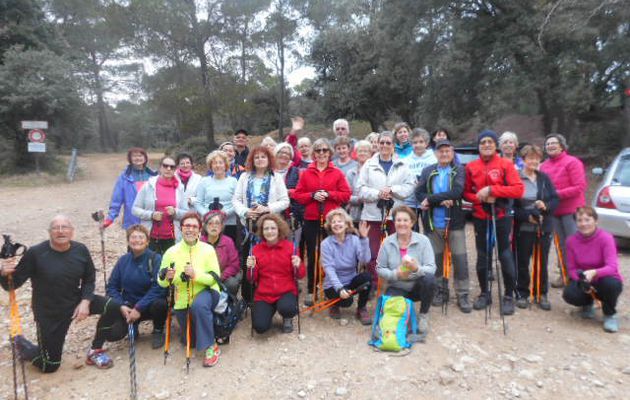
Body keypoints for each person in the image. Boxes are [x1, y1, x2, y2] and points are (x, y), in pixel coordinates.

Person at [0, 215, 98, 373]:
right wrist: (4, 274)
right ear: (49, 232)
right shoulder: (35, 253)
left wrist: (85, 301)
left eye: (64, 227)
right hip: (48, 312)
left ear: (72, 232)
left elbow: (90, 279)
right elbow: (12, 285)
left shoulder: (81, 249)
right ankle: (22, 345)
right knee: (50, 365)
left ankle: (97, 348)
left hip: (75, 301)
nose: (60, 231)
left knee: (113, 307)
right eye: (56, 228)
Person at [86, 224, 168, 368]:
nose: (137, 240)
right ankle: (133, 325)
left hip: (148, 305)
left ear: (147, 241)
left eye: (141, 237)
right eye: (133, 237)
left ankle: (158, 330)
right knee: (113, 335)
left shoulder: (155, 258)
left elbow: (159, 287)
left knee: (160, 303)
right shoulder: (123, 261)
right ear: (128, 241)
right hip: (128, 307)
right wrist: (121, 305)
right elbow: (112, 286)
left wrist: (139, 307)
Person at [463, 130, 524, 315]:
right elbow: (466, 193)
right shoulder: (471, 166)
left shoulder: (506, 164)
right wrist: (480, 198)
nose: (487, 145)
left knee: (505, 256)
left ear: (495, 145)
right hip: (481, 216)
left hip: (502, 216)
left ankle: (508, 296)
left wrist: (493, 190)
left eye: (490, 141)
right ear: (479, 146)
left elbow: (518, 190)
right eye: (483, 142)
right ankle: (484, 293)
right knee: (482, 256)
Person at [157, 212, 222, 367]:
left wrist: (195, 275)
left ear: (200, 229)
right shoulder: (171, 252)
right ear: (181, 228)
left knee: (199, 306)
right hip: (183, 298)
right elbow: (161, 281)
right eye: (187, 226)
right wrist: (167, 278)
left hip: (207, 291)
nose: (190, 229)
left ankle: (211, 346)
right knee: (190, 342)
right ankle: (206, 331)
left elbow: (214, 278)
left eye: (194, 226)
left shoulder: (207, 250)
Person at [292, 138, 352, 305]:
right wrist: (312, 196)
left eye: (325, 150)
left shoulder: (337, 173)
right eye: (318, 151)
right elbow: (298, 195)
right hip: (311, 219)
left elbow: (346, 194)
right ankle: (311, 290)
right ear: (313, 154)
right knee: (312, 255)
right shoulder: (306, 173)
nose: (321, 154)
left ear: (330, 153)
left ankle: (330, 287)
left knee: (332, 255)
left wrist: (329, 194)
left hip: (332, 221)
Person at [416, 140, 472, 313]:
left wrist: (432, 199)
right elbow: (419, 193)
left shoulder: (459, 170)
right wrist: (437, 200)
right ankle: (440, 291)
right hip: (433, 223)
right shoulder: (427, 170)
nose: (444, 154)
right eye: (441, 151)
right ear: (436, 153)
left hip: (454, 223)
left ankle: (462, 294)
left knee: (460, 260)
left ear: (452, 152)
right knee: (436, 260)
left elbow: (457, 192)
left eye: (447, 151)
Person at [357, 131, 415, 290]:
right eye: (381, 142)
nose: (384, 146)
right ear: (377, 144)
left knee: (399, 250)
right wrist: (378, 193)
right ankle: (375, 284)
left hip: (396, 216)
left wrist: (392, 189)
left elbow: (410, 187)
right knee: (372, 253)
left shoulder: (403, 165)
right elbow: (360, 189)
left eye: (388, 143)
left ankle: (398, 282)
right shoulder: (368, 164)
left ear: (393, 146)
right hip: (372, 215)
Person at [233, 146, 289, 302]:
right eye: (256, 157)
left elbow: (285, 201)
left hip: (269, 228)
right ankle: (248, 298)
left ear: (269, 159)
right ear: (252, 160)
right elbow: (236, 199)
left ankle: (268, 296)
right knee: (249, 262)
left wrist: (268, 208)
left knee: (268, 263)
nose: (260, 160)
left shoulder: (276, 177)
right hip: (249, 227)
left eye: (263, 157)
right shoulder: (244, 177)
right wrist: (245, 211)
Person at [562, 206, 624, 333]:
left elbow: (612, 267)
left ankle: (609, 314)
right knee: (569, 294)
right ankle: (587, 304)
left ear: (595, 221)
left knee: (611, 285)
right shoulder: (571, 241)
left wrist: (595, 272)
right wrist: (581, 279)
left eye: (587, 219)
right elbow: (572, 268)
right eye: (580, 220)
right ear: (576, 223)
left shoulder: (606, 238)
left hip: (604, 278)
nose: (583, 224)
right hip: (584, 278)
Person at [376, 206, 437, 334]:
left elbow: (432, 268)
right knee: (396, 323)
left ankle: (424, 315)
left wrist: (416, 269)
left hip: (417, 286)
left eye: (405, 220)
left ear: (412, 222)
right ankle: (401, 310)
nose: (402, 223)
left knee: (430, 279)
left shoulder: (423, 241)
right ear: (394, 222)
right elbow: (380, 268)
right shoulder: (387, 242)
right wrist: (395, 274)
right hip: (397, 286)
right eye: (398, 220)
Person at [513, 145, 559, 310]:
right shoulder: (516, 177)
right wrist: (526, 216)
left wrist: (545, 205)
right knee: (523, 261)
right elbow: (511, 206)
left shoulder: (544, 178)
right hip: (523, 227)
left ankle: (542, 293)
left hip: (543, 226)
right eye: (530, 158)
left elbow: (555, 199)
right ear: (523, 160)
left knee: (542, 260)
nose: (533, 161)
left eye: (536, 158)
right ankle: (522, 293)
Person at [540, 133, 587, 288]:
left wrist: (555, 194)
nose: (551, 146)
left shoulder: (572, 162)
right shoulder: (544, 165)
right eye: (548, 144)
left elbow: (579, 187)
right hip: (553, 212)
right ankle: (564, 274)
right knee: (560, 245)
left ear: (561, 145)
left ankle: (578, 277)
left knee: (575, 244)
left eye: (554, 143)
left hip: (572, 211)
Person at [247, 214, 305, 334]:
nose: (269, 231)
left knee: (287, 308)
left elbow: (300, 275)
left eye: (273, 228)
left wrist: (298, 265)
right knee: (260, 327)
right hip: (264, 294)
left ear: (279, 229)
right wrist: (250, 268)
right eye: (266, 228)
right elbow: (251, 279)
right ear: (262, 232)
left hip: (286, 291)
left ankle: (287, 317)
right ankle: (270, 310)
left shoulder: (290, 248)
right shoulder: (256, 250)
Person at [321, 208, 372, 324]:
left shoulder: (354, 240)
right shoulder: (326, 244)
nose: (336, 224)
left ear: (346, 224)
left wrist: (364, 239)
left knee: (367, 277)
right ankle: (334, 304)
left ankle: (361, 308)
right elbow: (329, 269)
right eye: (333, 222)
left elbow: (365, 260)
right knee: (347, 302)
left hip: (350, 281)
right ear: (330, 226)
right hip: (333, 285)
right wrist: (339, 288)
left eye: (340, 221)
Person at [132, 155, 188, 254]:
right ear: (160, 167)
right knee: (151, 267)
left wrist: (175, 212)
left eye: (172, 167)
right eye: (165, 166)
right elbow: (135, 209)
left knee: (170, 268)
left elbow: (186, 213)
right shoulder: (148, 186)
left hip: (172, 237)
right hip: (150, 236)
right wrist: (151, 215)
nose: (168, 169)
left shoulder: (179, 187)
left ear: (175, 169)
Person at [104, 147, 156, 229]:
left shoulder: (154, 176)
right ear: (130, 159)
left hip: (153, 219)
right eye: (134, 156)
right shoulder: (124, 177)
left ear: (145, 158)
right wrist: (110, 218)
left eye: (140, 155)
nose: (138, 158)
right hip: (133, 220)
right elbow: (116, 199)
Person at [195, 150, 238, 243]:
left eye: (220, 162)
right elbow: (198, 203)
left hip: (229, 224)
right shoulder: (204, 181)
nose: (217, 165)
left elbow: (237, 203)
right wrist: (208, 214)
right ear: (211, 166)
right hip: (208, 223)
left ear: (225, 165)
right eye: (214, 163)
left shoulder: (233, 182)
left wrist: (225, 213)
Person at [201, 211, 241, 296]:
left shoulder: (228, 241)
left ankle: (229, 303)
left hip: (223, 276)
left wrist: (220, 276)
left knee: (232, 283)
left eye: (217, 223)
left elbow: (234, 264)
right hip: (204, 278)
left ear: (222, 226)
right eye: (210, 223)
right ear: (205, 226)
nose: (214, 226)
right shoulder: (199, 242)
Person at [403, 128, 437, 224]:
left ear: (426, 143)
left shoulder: (434, 159)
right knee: (411, 229)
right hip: (409, 201)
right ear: (411, 144)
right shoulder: (405, 161)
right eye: (415, 142)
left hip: (427, 200)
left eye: (421, 142)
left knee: (428, 229)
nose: (418, 145)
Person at [274, 142, 304, 236]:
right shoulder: (268, 171)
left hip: (291, 216)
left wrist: (288, 192)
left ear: (291, 156)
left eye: (287, 153)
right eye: (281, 152)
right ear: (275, 154)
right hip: (272, 215)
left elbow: (302, 193)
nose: (284, 155)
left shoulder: (297, 172)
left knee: (290, 247)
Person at [346, 140, 372, 223]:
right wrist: (360, 199)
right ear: (356, 153)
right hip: (355, 216)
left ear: (370, 154)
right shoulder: (351, 173)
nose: (362, 153)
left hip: (371, 216)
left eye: (365, 151)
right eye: (360, 151)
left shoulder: (375, 171)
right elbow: (346, 196)